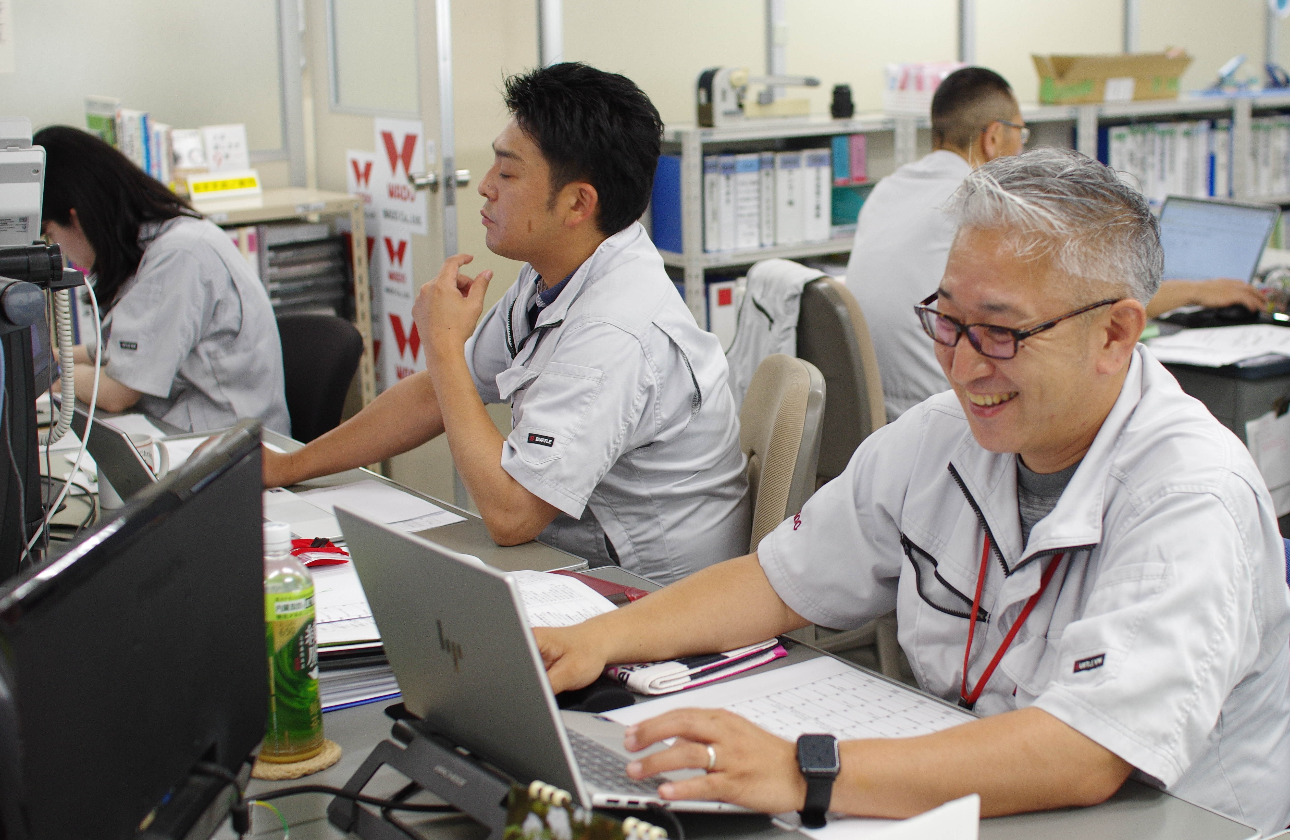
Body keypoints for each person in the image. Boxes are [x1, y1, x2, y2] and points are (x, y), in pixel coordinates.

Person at [536, 148, 1290, 834]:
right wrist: (597, 640)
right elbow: (776, 581)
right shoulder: (942, 434)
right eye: (947, 321)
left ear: (1117, 335)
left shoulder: (1190, 494)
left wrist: (802, 769)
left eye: (1001, 333)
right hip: (969, 791)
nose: (962, 367)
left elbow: (1084, 751)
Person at [264, 63, 749, 585]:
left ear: (577, 203)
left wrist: (444, 345)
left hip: (648, 594)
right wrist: (290, 468)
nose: (486, 187)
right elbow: (435, 396)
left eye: (509, 173)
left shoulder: (615, 330)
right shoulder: (555, 273)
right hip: (568, 556)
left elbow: (512, 515)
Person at [847, 67, 1265, 422]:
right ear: (994, 138)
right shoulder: (985, 207)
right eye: (1021, 135)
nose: (1021, 149)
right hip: (965, 400)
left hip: (879, 405)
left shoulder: (889, 188)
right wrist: (1199, 290)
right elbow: (1094, 299)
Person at [36, 125, 290, 435]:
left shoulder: (179, 255)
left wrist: (43, 376)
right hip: (183, 430)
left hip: (225, 446)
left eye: (50, 233)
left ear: (76, 217)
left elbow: (118, 392)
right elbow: (128, 347)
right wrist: (55, 356)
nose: (58, 249)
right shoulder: (154, 240)